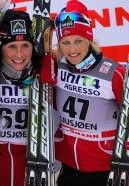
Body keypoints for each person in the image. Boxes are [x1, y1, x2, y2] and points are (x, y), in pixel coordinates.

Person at [54, 0, 126, 186]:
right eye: (66, 42)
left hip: (106, 170)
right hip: (68, 168)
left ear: (89, 40)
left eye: (78, 41)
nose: (72, 49)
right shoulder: (57, 69)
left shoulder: (113, 72)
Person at [0, 9, 42, 186]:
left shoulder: (43, 75)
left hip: (30, 172)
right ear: (0, 48)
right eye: (11, 46)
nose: (19, 55)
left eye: (25, 45)